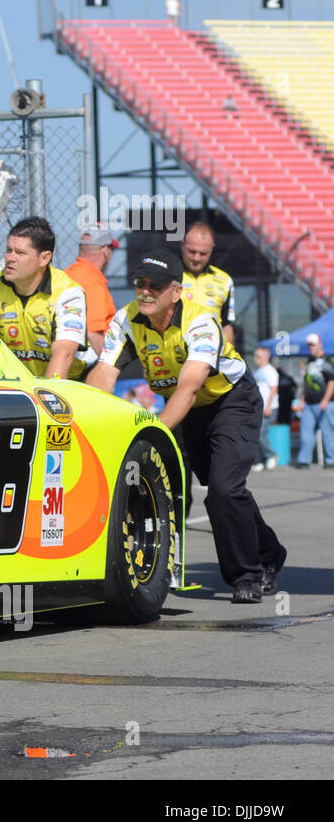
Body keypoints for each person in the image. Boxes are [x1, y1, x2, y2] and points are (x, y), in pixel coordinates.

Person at [87, 249, 287, 603]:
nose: (146, 292)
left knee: (224, 490)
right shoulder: (126, 320)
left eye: (156, 286)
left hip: (231, 401)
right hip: (187, 409)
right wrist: (83, 414)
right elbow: (104, 374)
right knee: (227, 492)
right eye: (141, 284)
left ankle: (246, 576)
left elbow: (191, 386)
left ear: (176, 292)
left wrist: (152, 432)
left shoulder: (200, 321)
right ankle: (269, 552)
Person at [0, 216, 87, 380]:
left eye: (20, 253)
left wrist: (45, 398)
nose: (10, 258)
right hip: (11, 383)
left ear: (44, 258)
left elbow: (64, 355)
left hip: (68, 383)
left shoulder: (68, 292)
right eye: (8, 250)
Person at [66, 227, 119, 356]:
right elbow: (93, 333)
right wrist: (109, 368)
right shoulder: (94, 284)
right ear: (105, 250)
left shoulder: (67, 275)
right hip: (84, 361)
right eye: (112, 249)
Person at [180, 222, 236, 345]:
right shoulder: (167, 275)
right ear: (183, 244)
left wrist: (228, 360)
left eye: (203, 253)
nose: (196, 258)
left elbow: (226, 325)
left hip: (210, 356)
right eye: (192, 251)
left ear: (212, 248)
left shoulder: (225, 280)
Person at [293, 334, 334, 468]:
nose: (311, 347)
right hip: (309, 404)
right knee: (306, 433)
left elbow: (332, 382)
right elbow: (307, 383)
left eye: (313, 344)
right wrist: (302, 401)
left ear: (320, 345)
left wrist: (325, 400)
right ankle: (304, 460)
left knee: (328, 433)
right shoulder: (310, 361)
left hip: (325, 403)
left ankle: (331, 460)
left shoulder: (328, 361)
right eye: (309, 345)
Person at [251, 346, 280, 470]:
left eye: (258, 356)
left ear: (266, 357)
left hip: (269, 407)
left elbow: (274, 389)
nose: (255, 358)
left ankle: (271, 455)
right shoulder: (258, 372)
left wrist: (268, 406)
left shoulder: (270, 371)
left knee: (261, 433)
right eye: (255, 356)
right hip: (258, 408)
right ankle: (260, 461)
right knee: (255, 434)